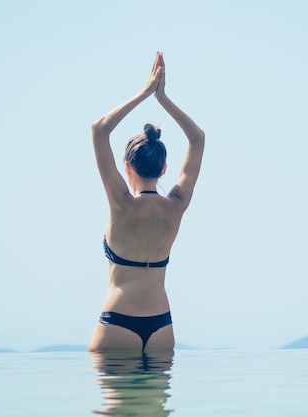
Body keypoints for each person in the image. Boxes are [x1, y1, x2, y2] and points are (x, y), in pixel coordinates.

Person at [88, 51, 204, 351]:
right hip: (161, 326)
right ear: (164, 168)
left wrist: (144, 92)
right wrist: (162, 98)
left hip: (118, 322)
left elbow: (99, 130)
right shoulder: (176, 205)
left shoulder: (121, 204)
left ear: (127, 167)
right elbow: (197, 139)